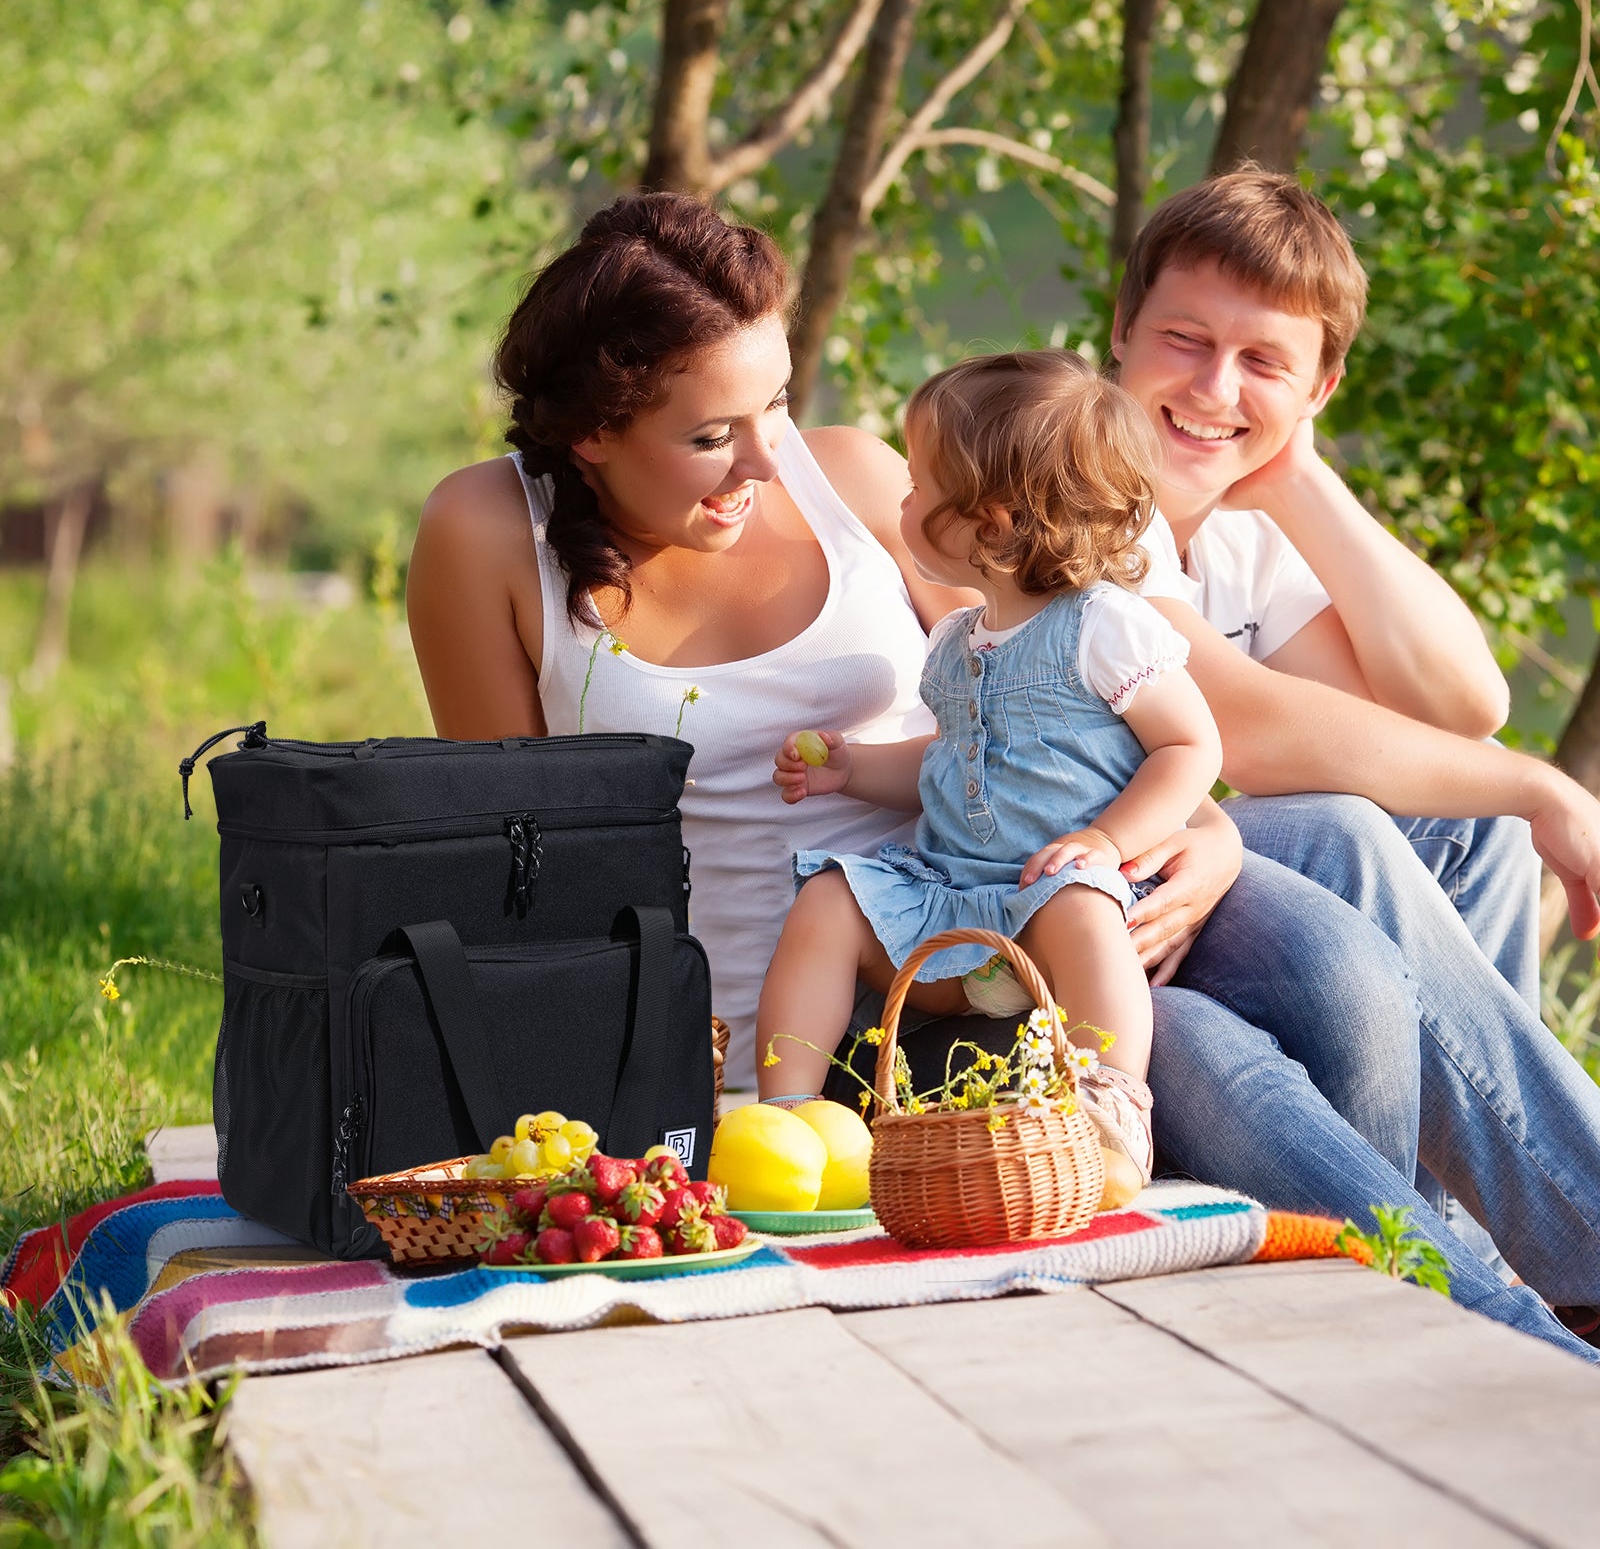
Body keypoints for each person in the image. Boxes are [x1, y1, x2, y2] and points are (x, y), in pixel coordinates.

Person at [405, 189, 1600, 1359]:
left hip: (1031, 871)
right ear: (590, 432)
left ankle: (1558, 1270)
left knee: (1340, 900)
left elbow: (1094, 687)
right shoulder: (487, 533)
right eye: (712, 434)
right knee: (1206, 1050)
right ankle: (1496, 1327)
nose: (766, 461)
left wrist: (1221, 832)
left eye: (776, 401)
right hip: (873, 990)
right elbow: (513, 863)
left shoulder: (857, 478)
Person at [1105, 168, 1600, 1305]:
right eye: (1184, 339)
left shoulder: (1235, 532)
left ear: (1322, 382)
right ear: (1121, 328)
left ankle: (1498, 1230)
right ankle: (1576, 1232)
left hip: (1211, 902)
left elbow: (1449, 706)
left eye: (1264, 362)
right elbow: (1249, 729)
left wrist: (1301, 478)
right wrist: (1536, 781)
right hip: (1084, 899)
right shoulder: (1069, 479)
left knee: (1465, 825)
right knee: (1340, 829)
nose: (1213, 386)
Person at [755, 350, 1222, 1185]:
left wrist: (1108, 841)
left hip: (1052, 905)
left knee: (1079, 906)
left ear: (992, 523)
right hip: (953, 900)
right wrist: (852, 770)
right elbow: (949, 766)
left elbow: (1192, 747)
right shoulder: (955, 643)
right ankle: (788, 1122)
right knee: (829, 898)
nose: (900, 500)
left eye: (918, 488)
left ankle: (1105, 1104)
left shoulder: (1103, 627)